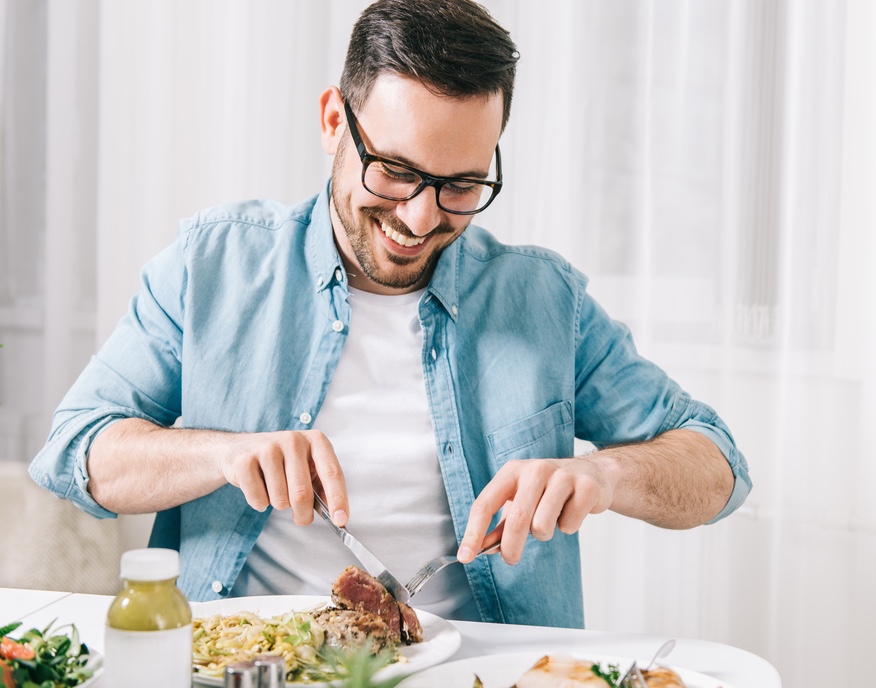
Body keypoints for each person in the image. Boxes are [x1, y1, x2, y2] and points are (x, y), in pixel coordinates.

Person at [30, 0, 750, 628]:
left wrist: (607, 478)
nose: (419, 216)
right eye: (397, 171)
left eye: (461, 184)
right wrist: (223, 454)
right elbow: (74, 453)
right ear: (332, 122)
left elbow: (718, 466)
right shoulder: (211, 266)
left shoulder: (542, 301)